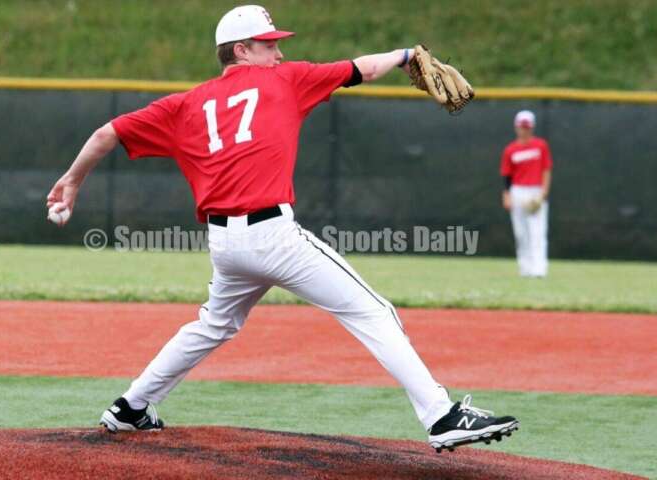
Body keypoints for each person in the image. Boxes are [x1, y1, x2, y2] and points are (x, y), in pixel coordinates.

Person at [47, 5, 518, 452]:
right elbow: (363, 69)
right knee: (373, 311)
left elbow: (107, 133)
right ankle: (441, 416)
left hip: (225, 243)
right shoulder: (287, 81)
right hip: (272, 235)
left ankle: (131, 407)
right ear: (240, 50)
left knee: (213, 324)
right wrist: (407, 56)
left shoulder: (186, 104)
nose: (280, 53)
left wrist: (71, 181)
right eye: (269, 44)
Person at [500, 110, 553, 277]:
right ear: (516, 127)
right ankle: (525, 269)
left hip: (536, 191)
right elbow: (507, 175)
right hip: (518, 192)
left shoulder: (541, 146)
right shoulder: (510, 150)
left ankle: (539, 270)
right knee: (521, 233)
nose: (524, 130)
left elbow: (546, 169)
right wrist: (507, 196)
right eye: (522, 127)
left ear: (532, 127)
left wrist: (544, 192)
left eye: (527, 127)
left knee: (538, 232)